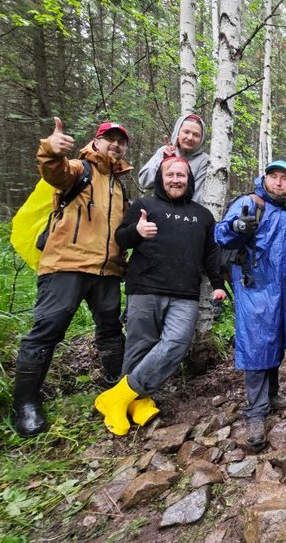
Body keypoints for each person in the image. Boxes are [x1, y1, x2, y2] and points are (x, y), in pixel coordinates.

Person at [11, 118, 133, 437]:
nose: (116, 145)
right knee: (47, 332)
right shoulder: (79, 169)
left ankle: (115, 386)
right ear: (97, 141)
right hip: (66, 265)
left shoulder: (120, 186)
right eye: (110, 138)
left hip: (106, 272)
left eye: (121, 141)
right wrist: (50, 151)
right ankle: (25, 404)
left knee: (110, 330)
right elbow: (54, 172)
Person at [97, 156, 227, 435]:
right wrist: (137, 231)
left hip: (185, 293)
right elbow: (121, 238)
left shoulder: (202, 215)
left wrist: (218, 283)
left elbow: (210, 253)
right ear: (161, 178)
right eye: (171, 175)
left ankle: (119, 395)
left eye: (182, 175)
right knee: (139, 346)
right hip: (144, 287)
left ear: (189, 180)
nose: (176, 179)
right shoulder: (145, 206)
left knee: (177, 343)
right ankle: (136, 401)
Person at [215, 160, 286, 450]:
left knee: (278, 339)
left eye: (285, 178)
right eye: (274, 177)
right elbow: (220, 235)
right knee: (256, 344)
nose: (279, 183)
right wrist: (237, 226)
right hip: (254, 286)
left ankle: (272, 393)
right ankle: (256, 412)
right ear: (265, 178)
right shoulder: (250, 203)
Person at [138, 114, 210, 202]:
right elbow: (144, 182)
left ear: (202, 139)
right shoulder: (164, 151)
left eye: (196, 135)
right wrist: (163, 162)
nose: (190, 138)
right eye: (186, 132)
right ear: (178, 133)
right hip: (159, 208)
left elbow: (197, 197)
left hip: (187, 212)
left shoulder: (204, 160)